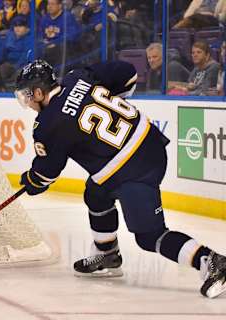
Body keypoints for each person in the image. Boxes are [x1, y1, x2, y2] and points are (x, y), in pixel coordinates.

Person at [14, 59, 226, 298]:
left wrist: (31, 181)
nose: (27, 102)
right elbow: (128, 73)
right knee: (96, 193)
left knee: (149, 236)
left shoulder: (47, 125)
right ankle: (108, 254)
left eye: (27, 95)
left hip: (134, 169)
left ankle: (212, 262)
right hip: (150, 143)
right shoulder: (78, 77)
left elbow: (47, 172)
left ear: (39, 91)